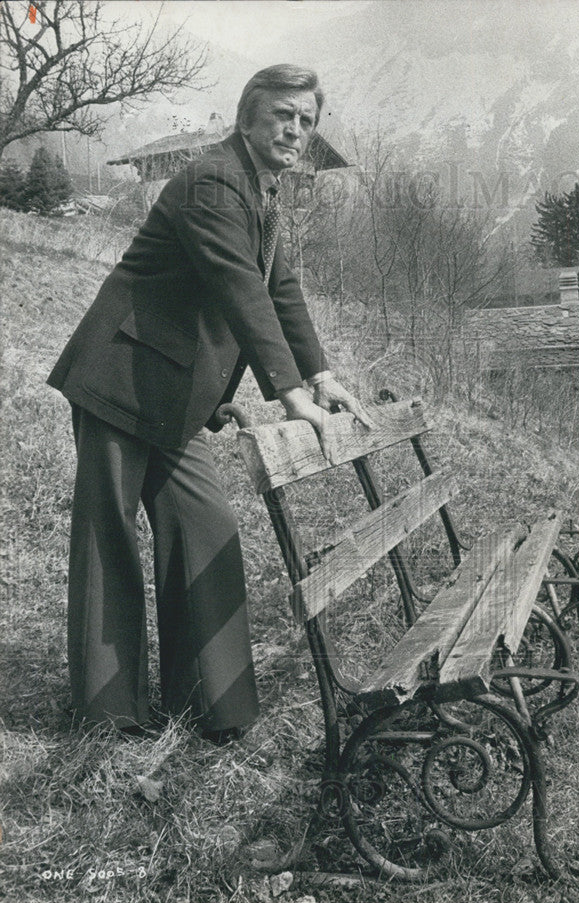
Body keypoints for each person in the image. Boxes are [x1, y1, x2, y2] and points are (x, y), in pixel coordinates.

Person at [47, 65, 371, 744]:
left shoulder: (268, 194)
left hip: (178, 394)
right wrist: (286, 395)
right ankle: (109, 714)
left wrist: (322, 375)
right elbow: (237, 289)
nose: (295, 130)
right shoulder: (213, 181)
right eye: (282, 114)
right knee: (109, 537)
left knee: (207, 528)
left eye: (306, 120)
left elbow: (281, 291)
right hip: (119, 375)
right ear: (248, 116)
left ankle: (212, 706)